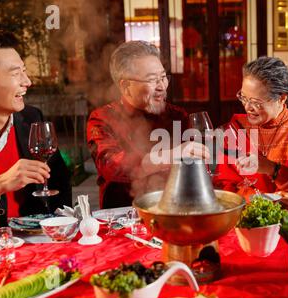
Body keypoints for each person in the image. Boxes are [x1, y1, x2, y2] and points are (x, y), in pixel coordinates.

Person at [87, 40, 208, 209]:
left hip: (174, 210)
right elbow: (112, 165)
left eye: (163, 78)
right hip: (123, 216)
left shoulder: (177, 116)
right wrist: (171, 155)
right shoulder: (102, 118)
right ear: (125, 86)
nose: (162, 87)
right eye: (152, 80)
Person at [0, 30, 72, 232]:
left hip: (35, 246)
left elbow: (60, 182)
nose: (27, 82)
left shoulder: (32, 119)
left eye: (24, 71)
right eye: (16, 74)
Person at [213, 56, 288, 210]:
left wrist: (273, 169)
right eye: (244, 98)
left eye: (256, 102)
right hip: (249, 215)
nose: (247, 107)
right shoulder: (236, 128)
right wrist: (261, 200)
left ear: (282, 98)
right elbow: (225, 185)